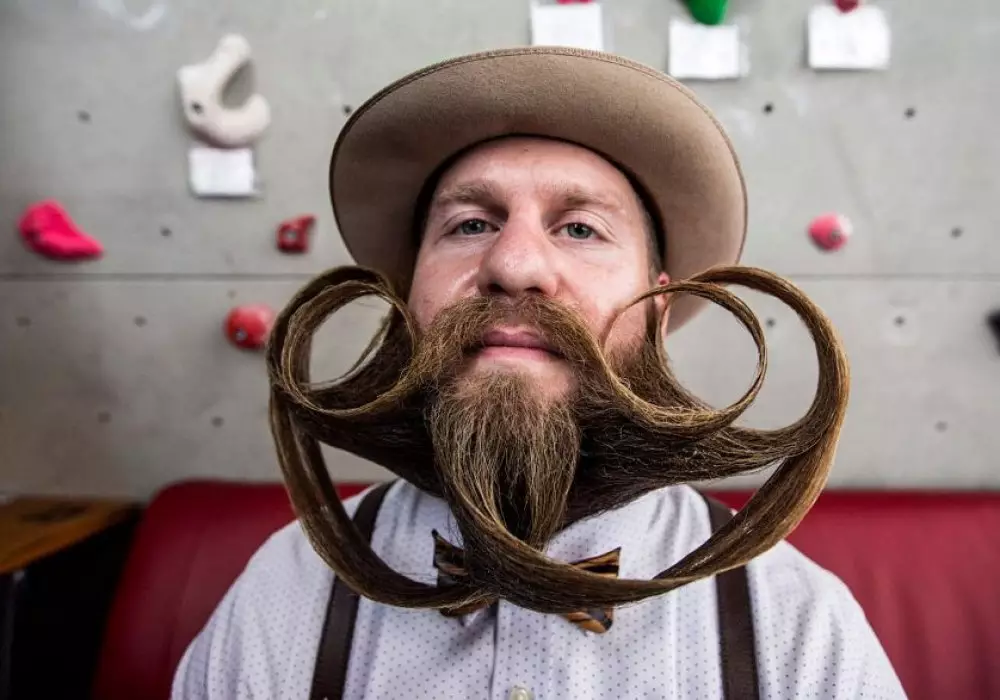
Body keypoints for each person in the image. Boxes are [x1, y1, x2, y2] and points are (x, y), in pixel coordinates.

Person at [173, 48, 905, 699]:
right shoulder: (287, 593)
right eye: (471, 224)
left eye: (581, 228)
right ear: (407, 295)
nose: (514, 265)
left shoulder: (796, 627)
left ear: (658, 305)